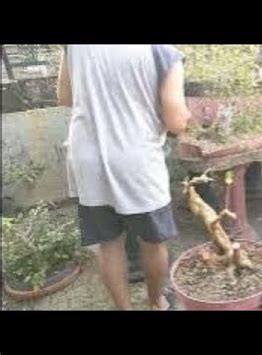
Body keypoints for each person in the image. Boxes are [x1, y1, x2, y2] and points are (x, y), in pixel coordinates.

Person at [57, 45, 191, 310]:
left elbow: (65, 96)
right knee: (153, 242)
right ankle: (156, 304)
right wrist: (186, 115)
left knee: (108, 245)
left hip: (87, 158)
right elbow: (176, 121)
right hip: (136, 160)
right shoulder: (163, 51)